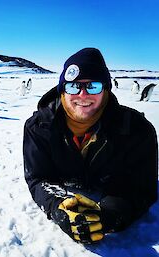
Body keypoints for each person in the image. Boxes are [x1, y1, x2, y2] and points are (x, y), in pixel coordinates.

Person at [23, 48, 158, 244]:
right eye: (73, 86)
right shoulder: (39, 128)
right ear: (62, 90)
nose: (83, 94)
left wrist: (110, 215)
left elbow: (141, 187)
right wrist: (58, 207)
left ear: (106, 89)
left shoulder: (136, 130)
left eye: (93, 86)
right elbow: (38, 177)